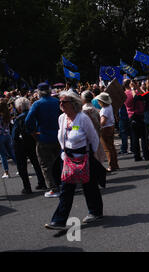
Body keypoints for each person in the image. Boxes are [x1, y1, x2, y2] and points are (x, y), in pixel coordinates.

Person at [44, 91, 103, 230]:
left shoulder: (83, 118)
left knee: (90, 186)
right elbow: (62, 137)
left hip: (84, 157)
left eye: (64, 102)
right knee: (66, 189)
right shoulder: (61, 118)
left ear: (73, 103)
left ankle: (95, 211)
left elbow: (93, 137)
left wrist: (93, 156)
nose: (60, 104)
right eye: (60, 102)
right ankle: (59, 220)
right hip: (67, 159)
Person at [25, 83, 62, 198]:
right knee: (59, 162)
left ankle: (53, 188)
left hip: (44, 137)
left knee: (45, 165)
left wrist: (32, 132)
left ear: (39, 92)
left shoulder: (37, 104)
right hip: (58, 136)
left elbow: (28, 121)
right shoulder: (56, 101)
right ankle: (63, 184)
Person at [12, 97, 47, 193]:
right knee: (36, 163)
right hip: (33, 142)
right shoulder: (33, 115)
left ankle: (27, 187)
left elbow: (14, 135)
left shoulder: (19, 118)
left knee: (22, 166)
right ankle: (42, 183)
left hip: (21, 145)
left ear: (19, 108)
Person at [124, 79, 149, 162]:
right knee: (144, 137)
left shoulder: (124, 94)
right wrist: (136, 87)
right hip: (139, 115)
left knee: (134, 137)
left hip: (131, 116)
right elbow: (144, 95)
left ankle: (137, 156)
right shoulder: (135, 92)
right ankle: (146, 155)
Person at [95, 92, 119, 172]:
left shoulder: (104, 110)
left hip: (105, 129)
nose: (98, 102)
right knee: (111, 147)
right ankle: (115, 164)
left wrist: (97, 126)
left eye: (99, 101)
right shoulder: (109, 106)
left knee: (107, 149)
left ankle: (111, 165)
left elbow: (103, 121)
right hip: (111, 127)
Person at [81, 90, 106, 163]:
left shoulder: (83, 110)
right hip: (96, 133)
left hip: (86, 135)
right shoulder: (96, 109)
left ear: (84, 99)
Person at [0, 98, 16, 179]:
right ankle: (20, 168)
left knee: (3, 155)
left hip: (0, 136)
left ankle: (6, 172)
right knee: (12, 153)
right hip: (7, 135)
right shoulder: (7, 114)